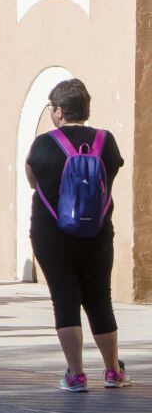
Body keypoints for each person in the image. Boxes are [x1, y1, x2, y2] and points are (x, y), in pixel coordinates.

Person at [25, 79, 129, 391]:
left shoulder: (43, 144)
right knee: (100, 299)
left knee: (64, 299)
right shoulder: (105, 141)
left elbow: (32, 180)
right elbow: (110, 176)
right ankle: (112, 371)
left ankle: (76, 373)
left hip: (51, 233)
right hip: (96, 233)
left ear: (58, 111)